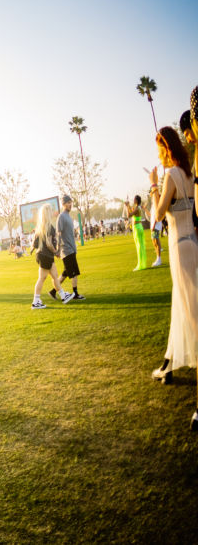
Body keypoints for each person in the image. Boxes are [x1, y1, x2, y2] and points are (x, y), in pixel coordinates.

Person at [146, 128, 198, 431]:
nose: (158, 155)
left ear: (166, 148)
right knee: (182, 307)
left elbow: (159, 215)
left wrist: (154, 185)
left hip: (181, 248)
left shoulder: (172, 175)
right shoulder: (190, 174)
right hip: (194, 242)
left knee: (191, 314)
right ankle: (169, 362)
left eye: (159, 149)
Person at [30, 204, 75, 309]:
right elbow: (50, 244)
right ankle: (36, 301)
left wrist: (32, 250)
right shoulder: (49, 227)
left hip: (42, 255)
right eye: (51, 211)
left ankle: (64, 296)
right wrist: (56, 252)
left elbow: (34, 244)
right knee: (42, 278)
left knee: (55, 276)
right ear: (48, 213)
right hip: (46, 256)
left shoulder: (40, 227)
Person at [49, 195, 85, 301]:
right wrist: (58, 250)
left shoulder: (69, 216)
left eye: (71, 202)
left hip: (72, 249)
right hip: (66, 250)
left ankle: (53, 291)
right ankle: (75, 294)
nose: (70, 204)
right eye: (68, 202)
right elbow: (58, 234)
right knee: (74, 273)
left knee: (66, 273)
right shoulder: (61, 217)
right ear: (64, 204)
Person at [123, 195, 149, 271]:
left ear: (137, 200)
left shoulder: (137, 208)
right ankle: (141, 263)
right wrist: (128, 206)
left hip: (137, 228)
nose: (133, 200)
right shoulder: (138, 207)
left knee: (139, 247)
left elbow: (129, 215)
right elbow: (131, 211)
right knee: (140, 247)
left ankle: (140, 264)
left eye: (134, 199)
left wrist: (127, 206)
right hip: (138, 227)